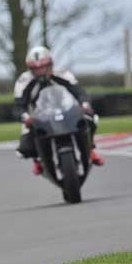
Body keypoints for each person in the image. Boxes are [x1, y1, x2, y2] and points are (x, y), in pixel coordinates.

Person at [14, 45, 104, 175]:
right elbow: (18, 106)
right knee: (24, 149)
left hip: (65, 111)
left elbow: (79, 92)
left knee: (91, 119)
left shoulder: (63, 74)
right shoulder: (23, 81)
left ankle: (89, 149)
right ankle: (38, 159)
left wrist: (84, 105)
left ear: (50, 64)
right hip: (38, 116)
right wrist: (25, 117)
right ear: (30, 69)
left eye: (44, 67)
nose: (41, 72)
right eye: (36, 69)